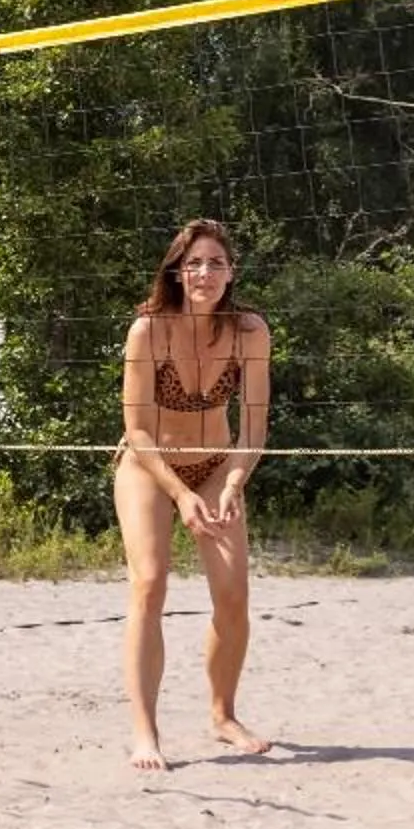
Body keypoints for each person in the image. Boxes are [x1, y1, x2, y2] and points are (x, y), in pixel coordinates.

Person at [114, 218, 272, 773]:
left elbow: (254, 426)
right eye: (195, 263)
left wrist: (231, 482)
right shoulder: (148, 331)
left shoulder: (250, 331)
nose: (205, 272)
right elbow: (137, 430)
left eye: (217, 263)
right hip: (150, 468)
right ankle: (145, 733)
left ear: (232, 273)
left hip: (217, 467)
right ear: (177, 272)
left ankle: (223, 715)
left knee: (232, 598)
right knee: (150, 583)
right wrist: (180, 496)